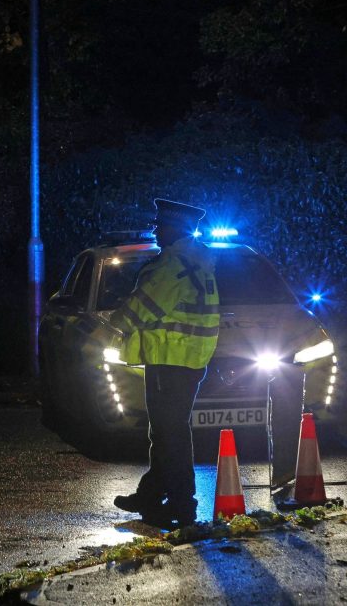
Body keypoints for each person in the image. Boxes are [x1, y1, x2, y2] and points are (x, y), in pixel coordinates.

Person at [110, 199, 220, 529]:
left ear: (176, 229)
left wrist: (111, 327)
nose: (157, 230)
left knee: (169, 434)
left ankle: (182, 504)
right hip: (186, 359)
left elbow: (139, 310)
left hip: (169, 359)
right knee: (169, 432)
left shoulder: (173, 265)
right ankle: (151, 495)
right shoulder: (198, 261)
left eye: (162, 225)